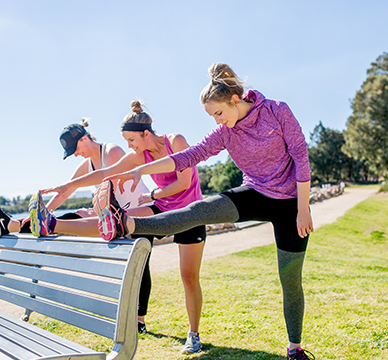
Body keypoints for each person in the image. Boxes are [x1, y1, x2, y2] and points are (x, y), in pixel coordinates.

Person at [95, 63, 316, 360]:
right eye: (212, 116)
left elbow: (300, 157)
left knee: (290, 279)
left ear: (235, 100)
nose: (217, 121)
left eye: (219, 113)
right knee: (198, 209)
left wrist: (303, 209)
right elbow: (188, 156)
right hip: (255, 193)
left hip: (291, 203)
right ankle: (126, 224)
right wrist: (141, 169)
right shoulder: (225, 132)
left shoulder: (277, 111)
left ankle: (295, 348)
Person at [28, 101, 207, 354]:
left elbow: (185, 181)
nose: (130, 147)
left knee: (189, 278)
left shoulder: (175, 141)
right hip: (161, 208)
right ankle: (53, 223)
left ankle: (194, 334)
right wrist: (66, 186)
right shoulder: (139, 154)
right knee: (115, 219)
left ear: (146, 134)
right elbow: (106, 173)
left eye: (132, 140)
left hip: (190, 212)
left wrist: (154, 194)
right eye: (127, 141)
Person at [0, 118, 150, 236]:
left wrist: (93, 211)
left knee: (83, 215)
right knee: (65, 218)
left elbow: (110, 188)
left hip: (139, 212)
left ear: (85, 138)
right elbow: (66, 192)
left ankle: (12, 225)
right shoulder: (86, 165)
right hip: (116, 215)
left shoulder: (111, 152)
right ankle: (13, 225)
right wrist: (44, 212)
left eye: (75, 149)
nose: (75, 154)